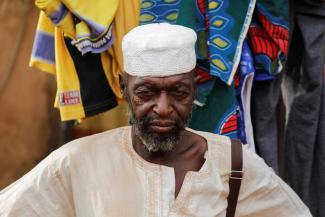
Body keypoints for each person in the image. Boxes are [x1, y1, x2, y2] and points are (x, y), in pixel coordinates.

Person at [0, 23, 312, 217]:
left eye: (178, 92)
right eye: (147, 92)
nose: (163, 108)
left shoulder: (234, 165)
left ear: (194, 88)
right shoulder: (76, 163)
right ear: (124, 87)